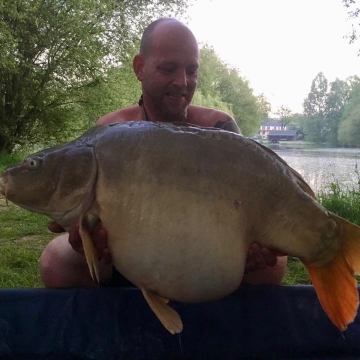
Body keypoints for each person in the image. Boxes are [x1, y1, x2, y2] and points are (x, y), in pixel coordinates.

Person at [40, 17, 287, 288]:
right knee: (56, 260)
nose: (182, 81)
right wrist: (84, 236)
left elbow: (247, 200)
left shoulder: (220, 128)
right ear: (140, 68)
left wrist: (251, 242)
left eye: (191, 70)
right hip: (126, 255)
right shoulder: (111, 130)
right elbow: (83, 218)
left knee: (274, 266)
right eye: (168, 68)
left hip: (206, 253)